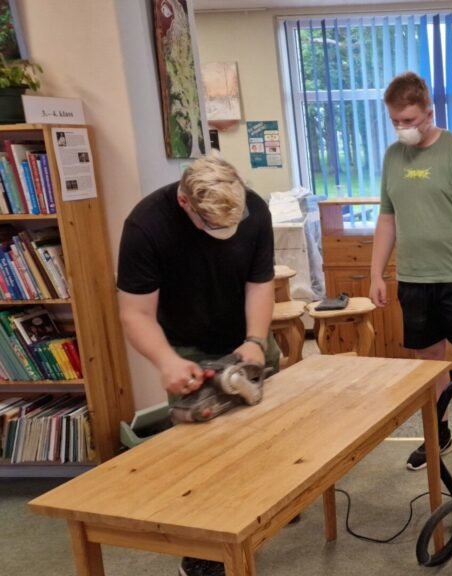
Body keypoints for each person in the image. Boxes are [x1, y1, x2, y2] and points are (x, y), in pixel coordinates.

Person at [116, 154, 280, 576]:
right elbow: (135, 314)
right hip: (187, 347)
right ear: (185, 202)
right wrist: (166, 361)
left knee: (270, 437)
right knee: (202, 461)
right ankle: (203, 554)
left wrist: (256, 341)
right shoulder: (146, 226)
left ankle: (268, 508)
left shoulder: (253, 209)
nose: (226, 233)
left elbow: (260, 284)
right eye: (213, 226)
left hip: (246, 338)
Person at [369, 71, 452, 471]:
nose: (402, 128)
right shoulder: (393, 157)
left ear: (429, 112)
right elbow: (387, 218)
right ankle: (437, 435)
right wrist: (376, 273)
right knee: (429, 362)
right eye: (395, 121)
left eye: (409, 119)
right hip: (413, 278)